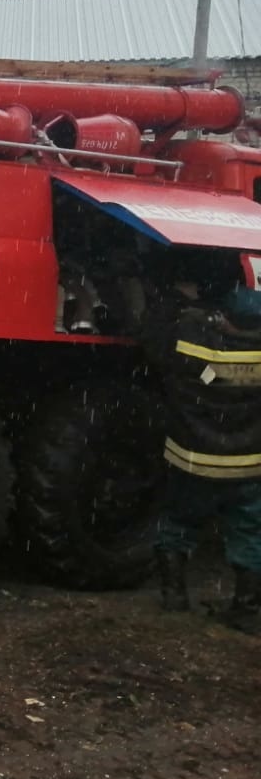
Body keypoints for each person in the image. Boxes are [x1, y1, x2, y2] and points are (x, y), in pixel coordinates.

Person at [149, 265, 261, 633]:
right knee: (250, 532)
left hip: (194, 460)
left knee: (178, 522)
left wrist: (186, 304)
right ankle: (245, 610)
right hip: (248, 467)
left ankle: (174, 595)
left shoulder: (193, 345)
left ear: (224, 317)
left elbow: (157, 333)